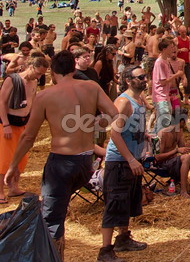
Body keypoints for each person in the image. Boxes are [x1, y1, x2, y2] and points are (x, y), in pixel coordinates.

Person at [4, 50, 136, 260]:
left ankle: (53, 257)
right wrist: (93, 122)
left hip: (61, 163)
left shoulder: (45, 96)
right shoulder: (91, 87)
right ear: (73, 69)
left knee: (52, 220)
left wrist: (12, 166)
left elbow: (29, 137)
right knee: (56, 215)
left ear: (53, 72)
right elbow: (115, 116)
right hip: (86, 162)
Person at [99, 65, 151, 262]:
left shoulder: (139, 100)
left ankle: (123, 238)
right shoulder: (123, 102)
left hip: (133, 160)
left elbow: (131, 126)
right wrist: (129, 159)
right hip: (120, 162)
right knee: (114, 205)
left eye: (145, 76)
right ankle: (105, 250)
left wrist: (142, 135)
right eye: (140, 77)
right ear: (129, 80)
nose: (144, 79)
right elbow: (114, 133)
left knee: (128, 202)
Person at [0, 55, 47, 203]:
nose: (39, 76)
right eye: (38, 72)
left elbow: (32, 102)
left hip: (23, 124)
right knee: (4, 160)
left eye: (42, 74)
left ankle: (14, 187)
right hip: (8, 124)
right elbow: (1, 102)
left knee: (21, 158)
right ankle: (0, 191)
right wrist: (6, 124)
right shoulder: (12, 80)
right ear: (31, 67)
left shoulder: (33, 82)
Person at [156, 112, 190, 196]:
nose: (187, 123)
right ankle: (183, 191)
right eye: (186, 120)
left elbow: (184, 149)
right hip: (164, 163)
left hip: (175, 161)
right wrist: (176, 150)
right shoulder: (163, 133)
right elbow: (158, 157)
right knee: (186, 158)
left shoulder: (179, 131)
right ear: (181, 121)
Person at [152, 37, 184, 134]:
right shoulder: (160, 62)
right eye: (171, 47)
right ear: (164, 49)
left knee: (163, 121)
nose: (173, 49)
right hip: (160, 96)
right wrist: (177, 75)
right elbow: (163, 82)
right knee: (163, 123)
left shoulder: (165, 61)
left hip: (165, 96)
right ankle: (157, 143)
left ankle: (154, 140)